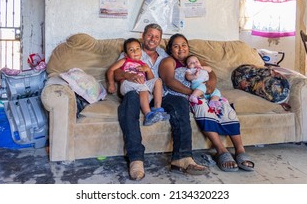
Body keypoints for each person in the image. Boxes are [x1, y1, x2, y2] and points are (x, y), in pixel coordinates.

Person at [114, 24, 208, 181]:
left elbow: (191, 68)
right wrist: (128, 76)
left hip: (159, 94)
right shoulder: (133, 50)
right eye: (150, 35)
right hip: (137, 92)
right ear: (143, 35)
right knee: (129, 100)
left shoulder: (164, 55)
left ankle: (182, 157)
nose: (152, 39)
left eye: (156, 36)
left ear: (160, 39)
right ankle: (136, 159)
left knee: (180, 102)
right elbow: (116, 72)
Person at [159, 33, 255, 172]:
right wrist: (193, 93)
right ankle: (221, 151)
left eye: (184, 45)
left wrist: (209, 86)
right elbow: (169, 81)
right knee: (202, 108)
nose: (181, 49)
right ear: (170, 49)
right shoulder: (169, 61)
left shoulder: (194, 60)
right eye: (176, 46)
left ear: (188, 47)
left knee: (225, 108)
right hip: (191, 96)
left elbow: (211, 73)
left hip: (208, 93)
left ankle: (240, 150)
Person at [106, 37, 168, 126]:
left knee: (158, 81)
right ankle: (148, 115)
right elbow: (111, 70)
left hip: (141, 85)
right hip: (127, 84)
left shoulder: (144, 64)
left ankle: (157, 109)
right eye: (131, 50)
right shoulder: (125, 60)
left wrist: (148, 70)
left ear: (141, 51)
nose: (135, 51)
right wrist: (111, 84)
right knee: (142, 88)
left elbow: (151, 79)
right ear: (126, 54)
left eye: (137, 49)